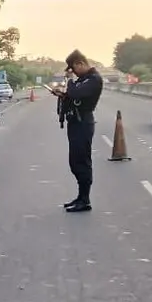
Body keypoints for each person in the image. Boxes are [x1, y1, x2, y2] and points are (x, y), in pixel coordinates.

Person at [53, 50, 104, 213]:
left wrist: (69, 81)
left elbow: (76, 92)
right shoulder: (83, 79)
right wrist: (62, 94)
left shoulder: (94, 79)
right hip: (75, 122)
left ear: (80, 64)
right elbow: (74, 96)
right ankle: (80, 197)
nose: (73, 73)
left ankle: (85, 199)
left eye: (73, 69)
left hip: (83, 123)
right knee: (75, 161)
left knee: (82, 161)